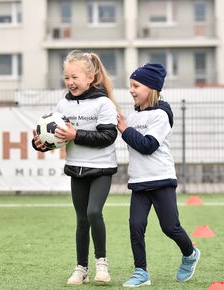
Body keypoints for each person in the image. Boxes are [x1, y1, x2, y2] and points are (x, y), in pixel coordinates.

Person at [32, 50, 118, 285]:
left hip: (101, 169)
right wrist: (39, 143)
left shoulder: (104, 103)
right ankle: (81, 268)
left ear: (90, 78)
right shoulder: (62, 105)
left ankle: (102, 264)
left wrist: (75, 134)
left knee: (93, 212)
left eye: (75, 77)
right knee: (81, 220)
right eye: (67, 78)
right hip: (76, 169)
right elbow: (55, 136)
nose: (70, 82)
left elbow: (108, 136)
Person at [117, 63, 200, 287]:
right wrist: (123, 127)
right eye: (130, 86)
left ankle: (190, 254)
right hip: (139, 183)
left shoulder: (161, 115)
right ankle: (141, 272)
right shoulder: (131, 117)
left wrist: (125, 130)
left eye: (136, 85)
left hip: (162, 180)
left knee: (170, 227)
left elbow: (148, 146)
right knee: (136, 226)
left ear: (151, 88)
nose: (131, 90)